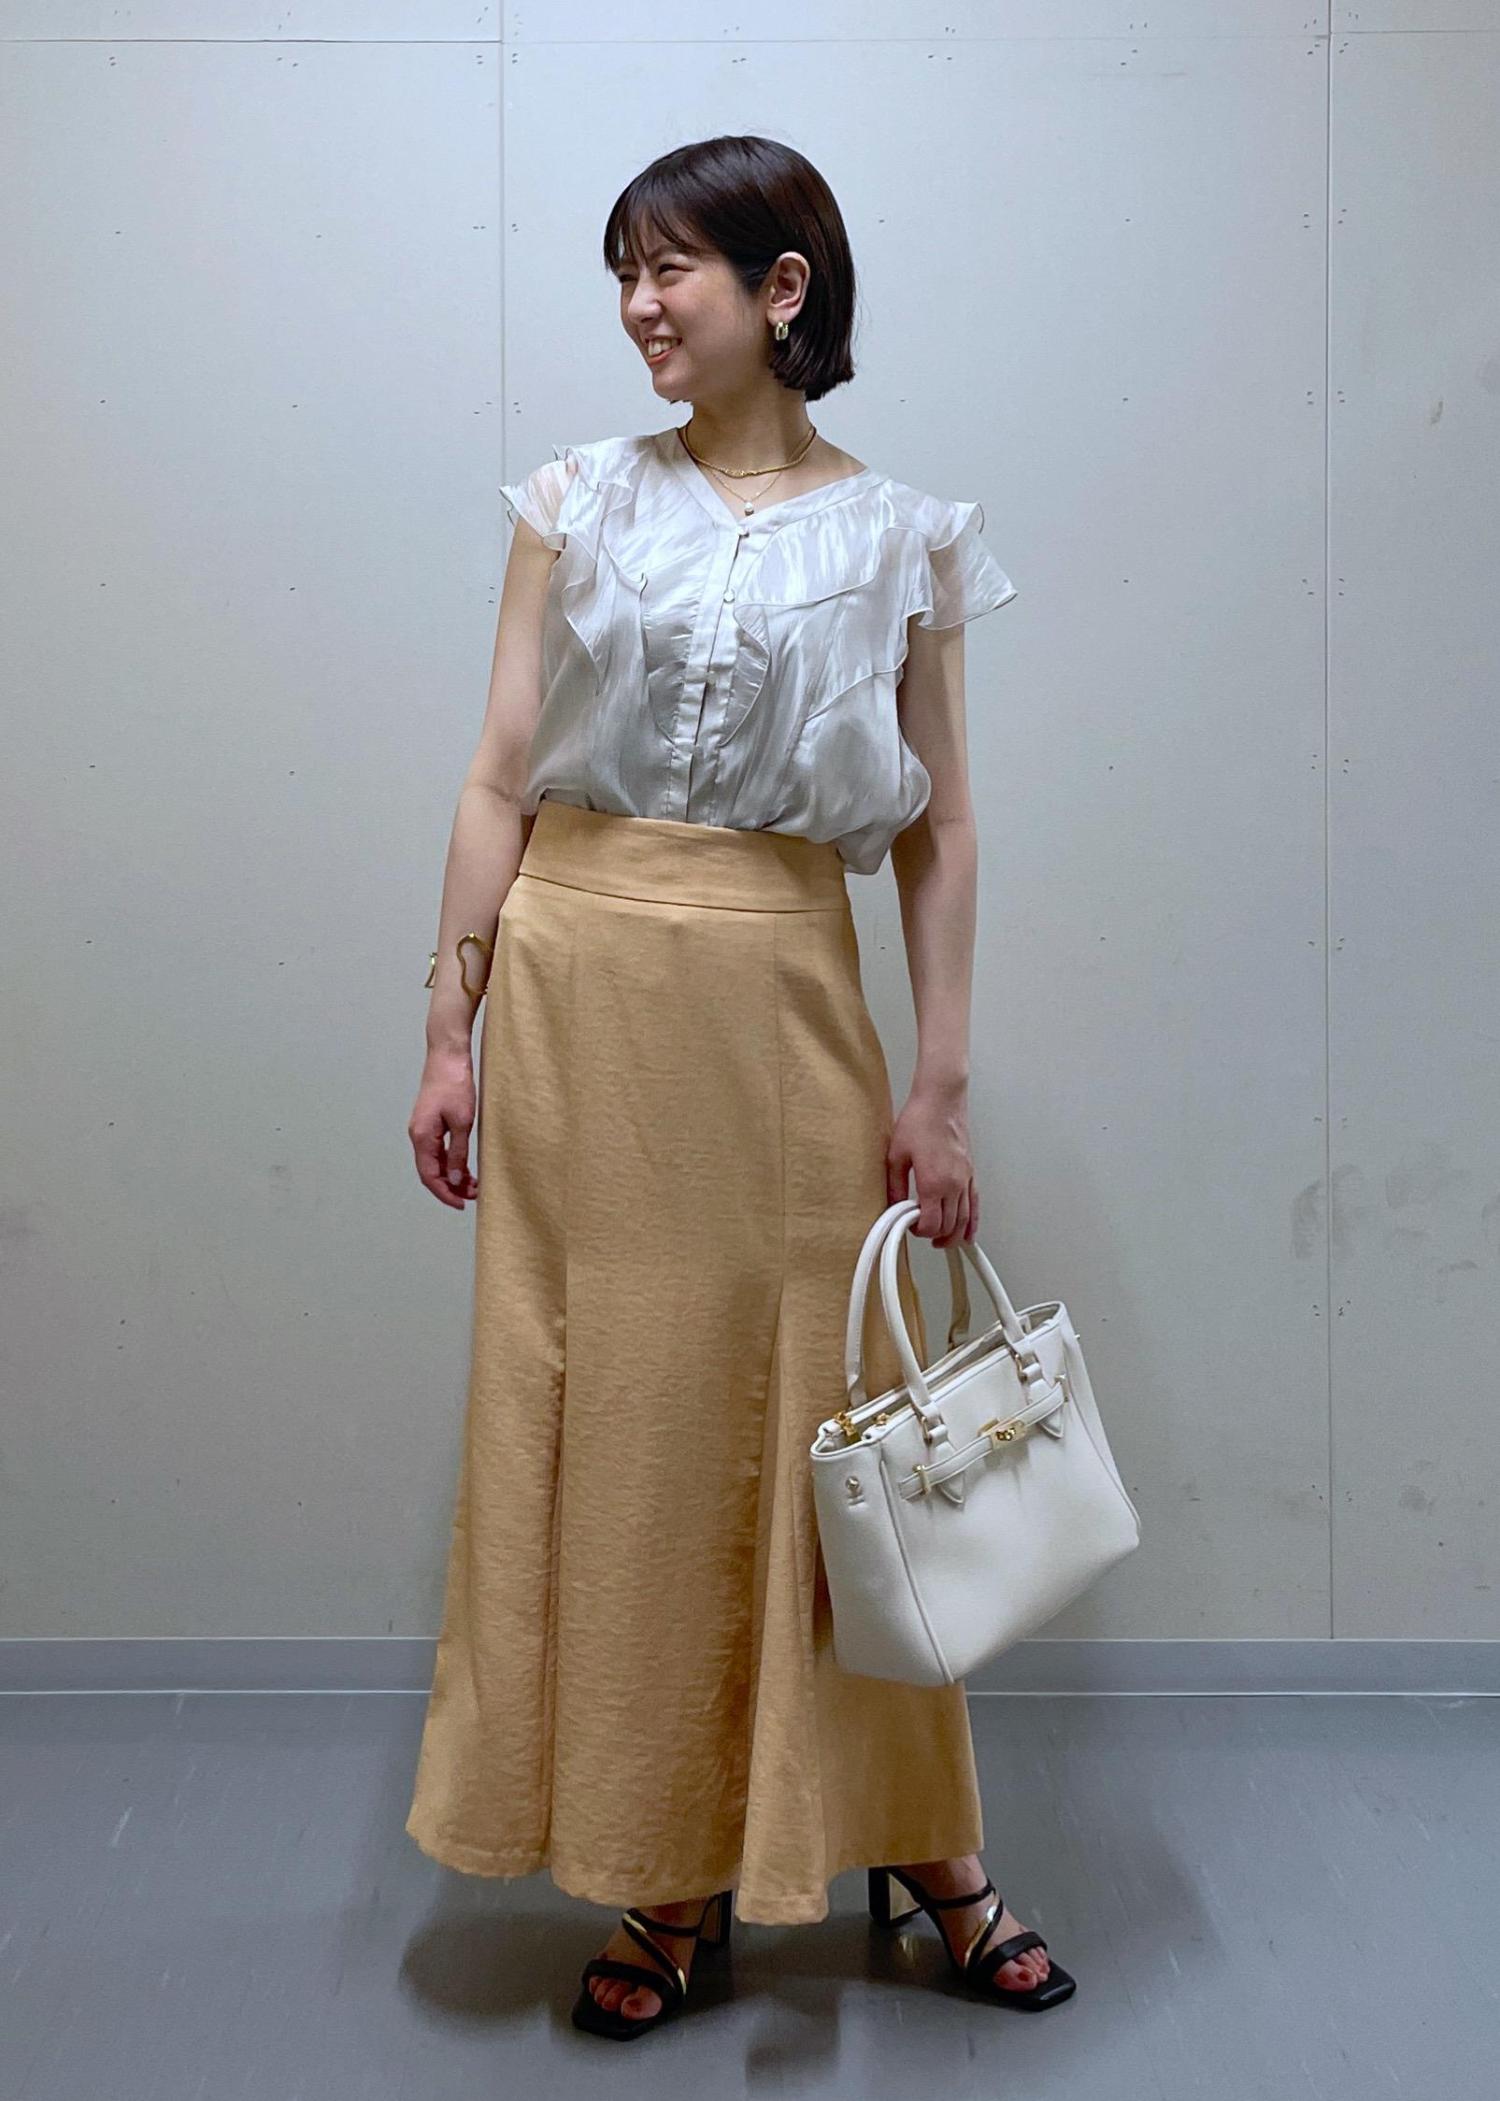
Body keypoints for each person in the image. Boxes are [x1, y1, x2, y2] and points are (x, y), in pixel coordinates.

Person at [403, 133, 1076, 2039]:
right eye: (621, 270)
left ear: (783, 290)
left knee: (826, 1430)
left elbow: (941, 827)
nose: (636, 304)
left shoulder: (907, 537)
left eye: (668, 267)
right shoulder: (572, 502)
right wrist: (448, 1022)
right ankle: (670, 1864)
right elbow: (499, 775)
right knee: (625, 1430)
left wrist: (940, 1084)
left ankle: (925, 1845)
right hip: (577, 1004)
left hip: (781, 1005)